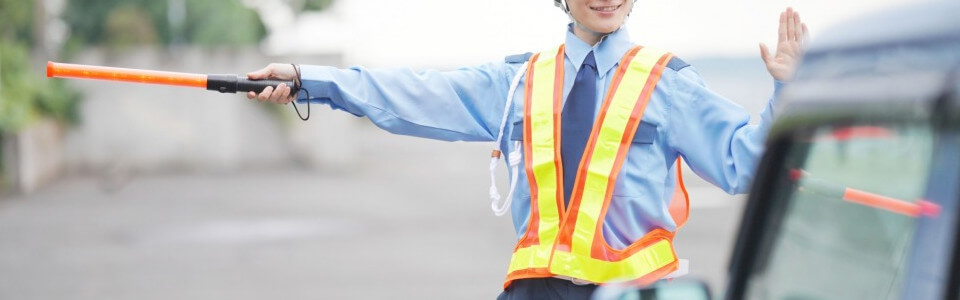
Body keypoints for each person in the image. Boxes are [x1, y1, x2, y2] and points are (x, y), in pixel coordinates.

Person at [246, 0, 807, 298]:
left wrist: (788, 91)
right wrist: (310, 80)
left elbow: (743, 163)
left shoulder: (669, 84)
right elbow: (415, 93)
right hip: (534, 295)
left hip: (629, 295)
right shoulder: (518, 81)